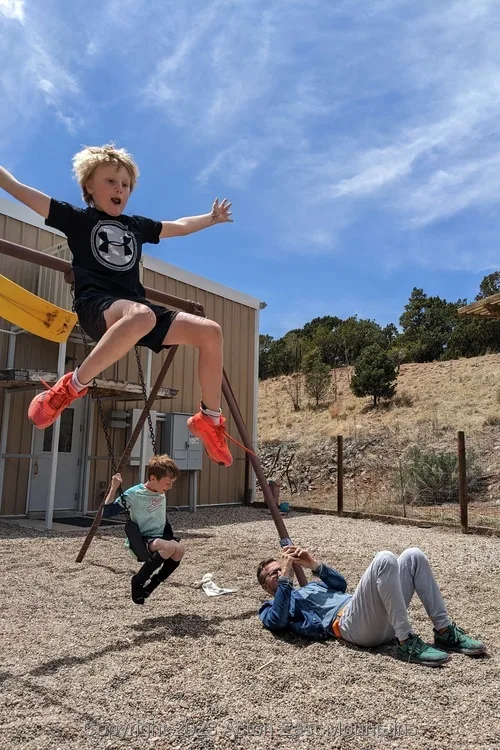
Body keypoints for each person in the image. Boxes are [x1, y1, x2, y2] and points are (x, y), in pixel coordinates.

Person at [0, 145, 234, 467]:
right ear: (90, 187)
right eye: (111, 181)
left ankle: (209, 418)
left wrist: (211, 218)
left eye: (125, 184)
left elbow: (177, 226)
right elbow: (20, 190)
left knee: (210, 332)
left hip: (136, 311)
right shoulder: (78, 219)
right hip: (97, 305)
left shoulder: (135, 226)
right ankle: (72, 386)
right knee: (141, 315)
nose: (119, 189)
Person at [257, 545, 487, 667]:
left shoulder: (311, 588)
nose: (278, 572)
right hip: (351, 626)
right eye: (271, 574)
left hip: (379, 617)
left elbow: (341, 584)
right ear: (266, 588)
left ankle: (444, 631)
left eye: (279, 568)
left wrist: (313, 563)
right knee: (384, 558)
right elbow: (277, 622)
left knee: (413, 556)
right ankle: (407, 642)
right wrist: (286, 575)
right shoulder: (269, 607)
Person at [103, 454, 184, 605]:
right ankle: (138, 582)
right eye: (167, 483)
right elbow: (106, 512)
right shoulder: (134, 494)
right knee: (168, 547)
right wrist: (114, 486)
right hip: (141, 541)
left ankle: (151, 587)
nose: (170, 487)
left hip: (160, 537)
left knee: (179, 550)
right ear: (153, 478)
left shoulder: (160, 490)